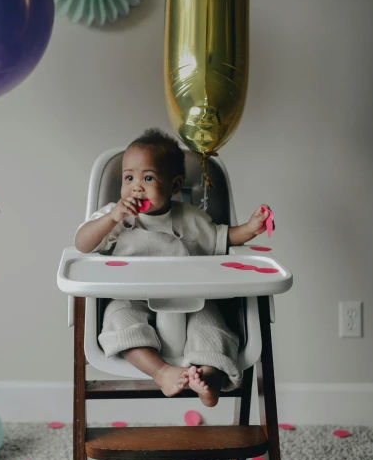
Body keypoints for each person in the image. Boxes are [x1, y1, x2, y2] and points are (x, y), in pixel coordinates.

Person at [75, 128, 273, 407]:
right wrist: (111, 218)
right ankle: (161, 371)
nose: (136, 186)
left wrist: (252, 228)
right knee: (119, 322)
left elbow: (223, 238)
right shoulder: (114, 217)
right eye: (129, 177)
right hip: (131, 298)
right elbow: (82, 244)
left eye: (148, 178)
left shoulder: (190, 219)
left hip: (192, 300)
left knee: (213, 328)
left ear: (175, 186)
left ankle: (209, 377)